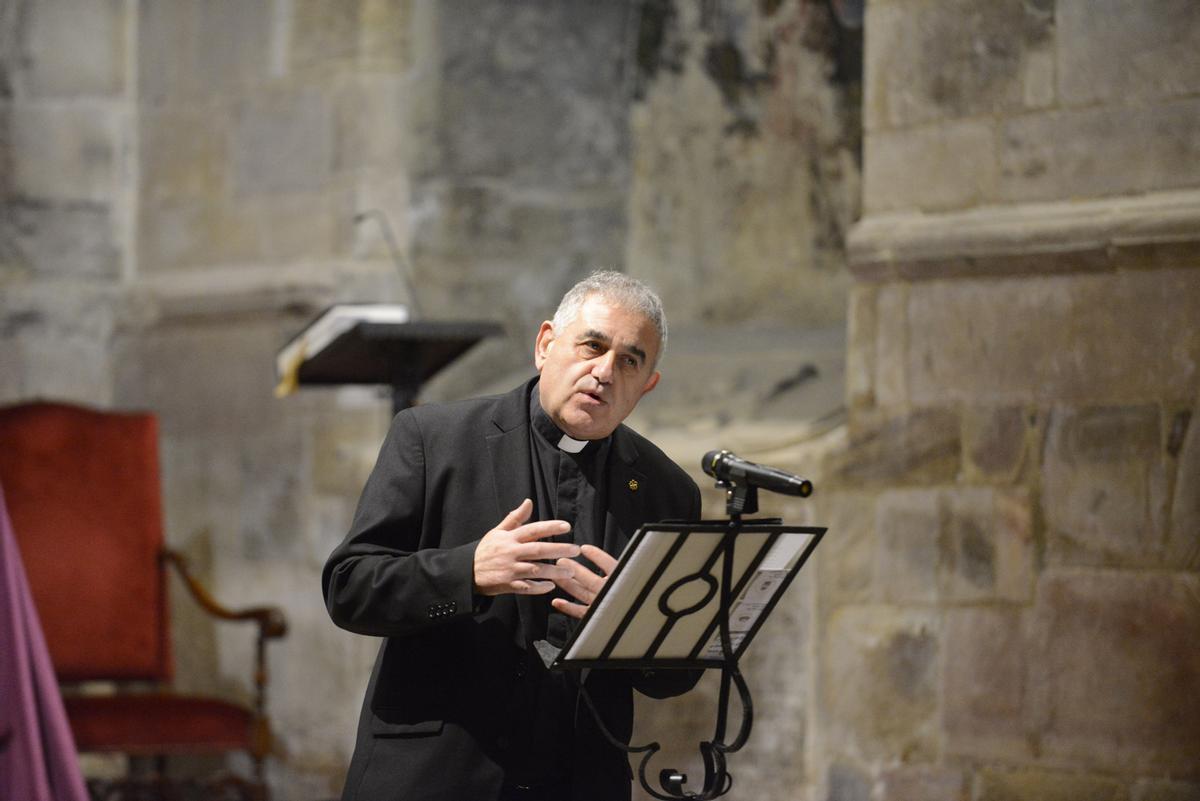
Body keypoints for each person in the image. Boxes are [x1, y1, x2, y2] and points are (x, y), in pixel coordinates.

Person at [323, 271, 702, 801]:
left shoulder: (668, 492)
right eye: (591, 345)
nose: (604, 371)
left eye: (630, 360)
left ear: (647, 384)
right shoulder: (434, 439)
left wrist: (630, 623)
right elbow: (349, 589)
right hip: (436, 776)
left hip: (578, 780)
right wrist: (467, 574)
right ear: (546, 344)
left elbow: (675, 677)